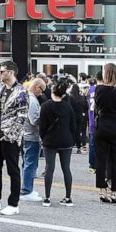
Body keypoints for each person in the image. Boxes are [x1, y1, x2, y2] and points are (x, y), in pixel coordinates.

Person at [0, 60, 27, 216]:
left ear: (11, 72)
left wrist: (11, 135)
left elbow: (22, 117)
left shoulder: (21, 92)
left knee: (13, 170)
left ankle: (13, 203)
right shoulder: (0, 90)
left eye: (2, 71)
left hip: (9, 138)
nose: (0, 74)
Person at [39, 78, 78, 207]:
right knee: (66, 168)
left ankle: (47, 198)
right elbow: (73, 125)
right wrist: (73, 139)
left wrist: (43, 137)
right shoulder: (68, 106)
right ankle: (68, 197)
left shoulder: (45, 106)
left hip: (50, 141)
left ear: (53, 92)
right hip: (66, 140)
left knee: (49, 168)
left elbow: (42, 126)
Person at [94, 63, 116, 203]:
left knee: (101, 159)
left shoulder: (100, 89)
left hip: (103, 126)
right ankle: (114, 191)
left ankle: (102, 190)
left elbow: (97, 106)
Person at [19, 78, 46, 202]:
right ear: (37, 87)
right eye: (42, 90)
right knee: (31, 163)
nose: (42, 93)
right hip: (31, 135)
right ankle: (26, 190)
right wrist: (45, 116)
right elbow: (34, 120)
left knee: (26, 162)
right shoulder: (33, 100)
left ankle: (26, 188)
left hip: (24, 133)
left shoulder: (24, 95)